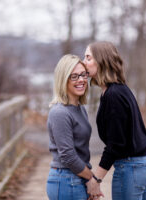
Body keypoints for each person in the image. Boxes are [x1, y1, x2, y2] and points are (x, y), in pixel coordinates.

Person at [84, 41, 146, 200]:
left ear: (101, 60)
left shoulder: (114, 95)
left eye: (88, 58)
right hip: (143, 164)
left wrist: (96, 179)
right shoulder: (117, 90)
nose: (83, 63)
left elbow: (116, 144)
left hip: (132, 168)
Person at [46, 54, 103, 200]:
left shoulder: (79, 108)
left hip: (78, 177)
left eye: (83, 75)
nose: (81, 80)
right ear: (63, 79)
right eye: (74, 76)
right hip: (66, 180)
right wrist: (92, 180)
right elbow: (68, 156)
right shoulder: (60, 112)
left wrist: (88, 180)